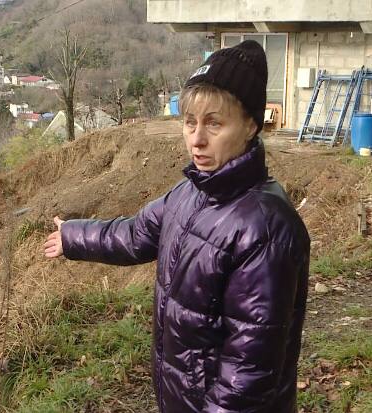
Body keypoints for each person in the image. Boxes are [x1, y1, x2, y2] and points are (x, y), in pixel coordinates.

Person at [43, 41, 310, 413]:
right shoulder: (190, 193)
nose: (197, 139)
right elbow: (135, 234)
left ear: (250, 125)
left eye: (214, 123)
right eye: (189, 122)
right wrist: (73, 236)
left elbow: (247, 376)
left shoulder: (264, 228)